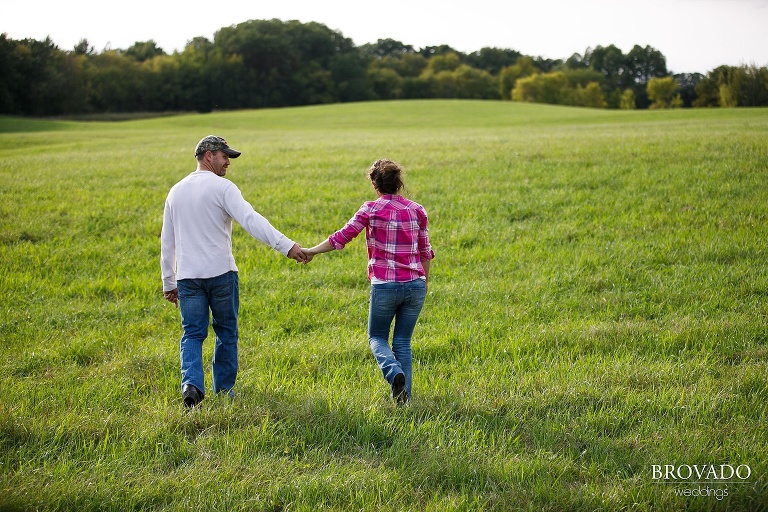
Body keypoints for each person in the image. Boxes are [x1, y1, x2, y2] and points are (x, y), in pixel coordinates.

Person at [161, 135, 307, 408]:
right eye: (224, 155)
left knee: (192, 334)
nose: (228, 161)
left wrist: (169, 281)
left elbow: (167, 241)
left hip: (188, 277)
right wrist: (287, 246)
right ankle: (224, 391)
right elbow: (252, 221)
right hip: (221, 275)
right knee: (226, 332)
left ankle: (191, 385)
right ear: (208, 156)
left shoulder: (175, 191)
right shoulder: (223, 188)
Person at [302, 159, 434, 404]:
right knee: (403, 342)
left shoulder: (371, 209)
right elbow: (425, 251)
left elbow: (341, 237)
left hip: (385, 285)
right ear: (399, 183)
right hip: (415, 284)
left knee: (377, 338)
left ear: (375, 185)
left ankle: (394, 373)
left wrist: (311, 250)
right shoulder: (417, 210)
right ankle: (404, 400)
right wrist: (424, 280)